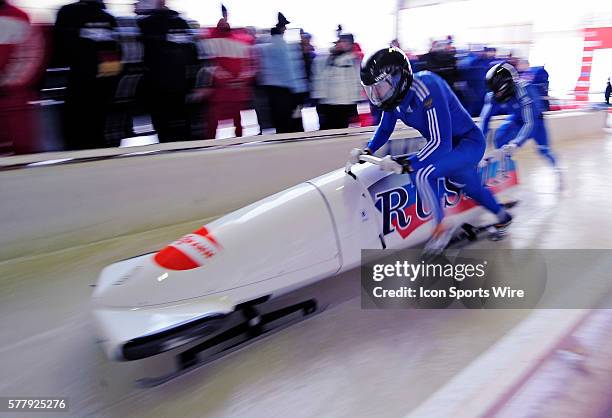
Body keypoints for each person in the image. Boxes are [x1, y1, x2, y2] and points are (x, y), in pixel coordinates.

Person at [351, 48, 512, 251]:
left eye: (380, 87)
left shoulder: (428, 86)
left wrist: (409, 163)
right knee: (472, 187)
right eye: (372, 90)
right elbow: (385, 128)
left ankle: (440, 229)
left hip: (467, 143)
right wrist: (369, 149)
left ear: (399, 78)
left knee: (423, 174)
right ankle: (503, 217)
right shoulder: (392, 100)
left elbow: (440, 143)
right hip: (449, 147)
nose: (377, 95)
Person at [54, 0, 122, 150]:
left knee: (76, 127)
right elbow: (116, 51)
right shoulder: (108, 18)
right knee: (98, 125)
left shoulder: (68, 12)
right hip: (106, 78)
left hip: (81, 78)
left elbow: (60, 48)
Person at [479, 63, 560, 182]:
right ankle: (504, 170)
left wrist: (515, 143)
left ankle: (556, 170)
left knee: (544, 150)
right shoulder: (492, 96)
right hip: (516, 119)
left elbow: (529, 122)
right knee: (500, 137)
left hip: (536, 122)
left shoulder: (524, 90)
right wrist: (479, 143)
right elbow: (484, 119)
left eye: (498, 91)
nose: (496, 95)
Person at [136, 0, 198, 142]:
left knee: (164, 127)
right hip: (180, 84)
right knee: (181, 126)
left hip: (157, 84)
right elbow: (193, 53)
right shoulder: (181, 23)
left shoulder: (146, 24)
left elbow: (140, 55)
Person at [0, 0, 45, 154]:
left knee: (18, 146)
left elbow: (30, 56)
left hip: (10, 94)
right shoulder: (19, 16)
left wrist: (6, 84)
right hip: (14, 93)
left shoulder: (16, 17)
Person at [312, 33, 361, 130]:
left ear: (350, 44)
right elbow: (319, 79)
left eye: (345, 42)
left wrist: (353, 105)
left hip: (343, 104)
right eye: (340, 41)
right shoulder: (325, 58)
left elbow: (355, 82)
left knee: (340, 131)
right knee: (326, 130)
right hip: (327, 103)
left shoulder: (352, 60)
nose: (341, 44)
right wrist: (319, 98)